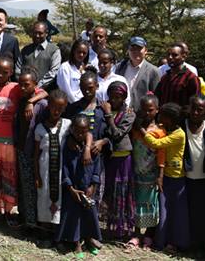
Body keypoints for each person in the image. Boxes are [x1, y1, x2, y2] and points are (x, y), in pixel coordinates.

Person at [0, 55, 47, 224]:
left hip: (9, 141)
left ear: (10, 73)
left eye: (4, 72)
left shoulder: (17, 87)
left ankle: (7, 212)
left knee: (8, 177)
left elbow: (44, 92)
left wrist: (30, 101)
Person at [136, 102, 189, 253]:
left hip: (176, 177)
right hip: (165, 176)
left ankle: (175, 241)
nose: (159, 116)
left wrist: (140, 128)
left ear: (169, 118)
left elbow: (156, 143)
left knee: (176, 212)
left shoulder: (179, 134)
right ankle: (160, 240)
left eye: (162, 114)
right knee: (163, 211)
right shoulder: (164, 127)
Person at [54, 113, 102, 258]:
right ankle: (76, 243)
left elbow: (96, 168)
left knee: (88, 214)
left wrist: (93, 186)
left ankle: (88, 240)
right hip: (72, 190)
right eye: (77, 131)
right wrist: (70, 188)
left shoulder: (92, 149)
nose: (80, 135)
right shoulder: (68, 148)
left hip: (87, 188)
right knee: (73, 215)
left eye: (84, 132)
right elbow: (65, 170)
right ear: (71, 130)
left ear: (88, 131)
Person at [98, 81, 136, 238]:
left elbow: (117, 134)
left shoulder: (129, 114)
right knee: (108, 192)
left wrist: (108, 116)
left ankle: (120, 229)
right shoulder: (102, 109)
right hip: (109, 158)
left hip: (123, 159)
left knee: (120, 193)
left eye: (117, 97)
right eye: (111, 97)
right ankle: (106, 227)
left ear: (124, 98)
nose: (113, 100)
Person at [13, 66, 47, 233]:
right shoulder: (21, 101)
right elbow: (17, 126)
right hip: (21, 150)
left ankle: (34, 224)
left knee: (33, 189)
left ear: (36, 84)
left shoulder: (42, 104)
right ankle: (25, 218)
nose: (23, 88)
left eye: (27, 85)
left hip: (35, 153)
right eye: (20, 85)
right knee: (24, 187)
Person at [130, 93, 165, 249]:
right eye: (144, 110)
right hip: (137, 174)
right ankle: (136, 234)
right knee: (137, 204)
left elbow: (161, 153)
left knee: (151, 205)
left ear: (157, 110)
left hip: (152, 175)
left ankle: (149, 235)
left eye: (150, 110)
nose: (147, 113)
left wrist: (160, 176)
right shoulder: (135, 127)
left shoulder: (160, 131)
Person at [34, 90, 70, 235]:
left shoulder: (68, 125)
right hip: (45, 171)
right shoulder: (40, 128)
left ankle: (57, 233)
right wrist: (36, 174)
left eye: (60, 108)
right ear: (48, 105)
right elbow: (37, 153)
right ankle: (45, 232)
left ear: (65, 107)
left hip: (61, 171)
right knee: (44, 197)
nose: (57, 111)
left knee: (60, 199)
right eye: (54, 107)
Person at [183, 94, 205, 251]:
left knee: (203, 214)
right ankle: (186, 241)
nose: (195, 113)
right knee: (188, 211)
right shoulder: (182, 125)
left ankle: (202, 244)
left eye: (199, 110)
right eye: (193, 109)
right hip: (186, 177)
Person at [114, 37, 161, 113]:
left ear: (146, 50)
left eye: (139, 48)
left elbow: (156, 98)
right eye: (132, 48)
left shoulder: (154, 71)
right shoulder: (120, 67)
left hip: (141, 116)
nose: (135, 51)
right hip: (120, 113)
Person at [15, 22, 61, 90]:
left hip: (46, 93)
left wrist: (36, 87)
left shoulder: (54, 50)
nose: (37, 36)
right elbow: (18, 70)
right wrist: (26, 85)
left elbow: (53, 73)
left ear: (47, 33)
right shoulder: (25, 50)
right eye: (35, 33)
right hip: (26, 92)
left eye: (40, 33)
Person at [156, 43, 200, 108]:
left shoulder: (190, 78)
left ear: (183, 57)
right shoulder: (165, 77)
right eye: (168, 55)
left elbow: (197, 101)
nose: (170, 58)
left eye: (174, 55)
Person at [57, 39, 89, 106]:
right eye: (79, 52)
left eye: (84, 53)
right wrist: (76, 104)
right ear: (74, 50)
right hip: (71, 105)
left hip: (84, 105)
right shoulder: (65, 67)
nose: (81, 55)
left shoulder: (85, 69)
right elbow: (65, 90)